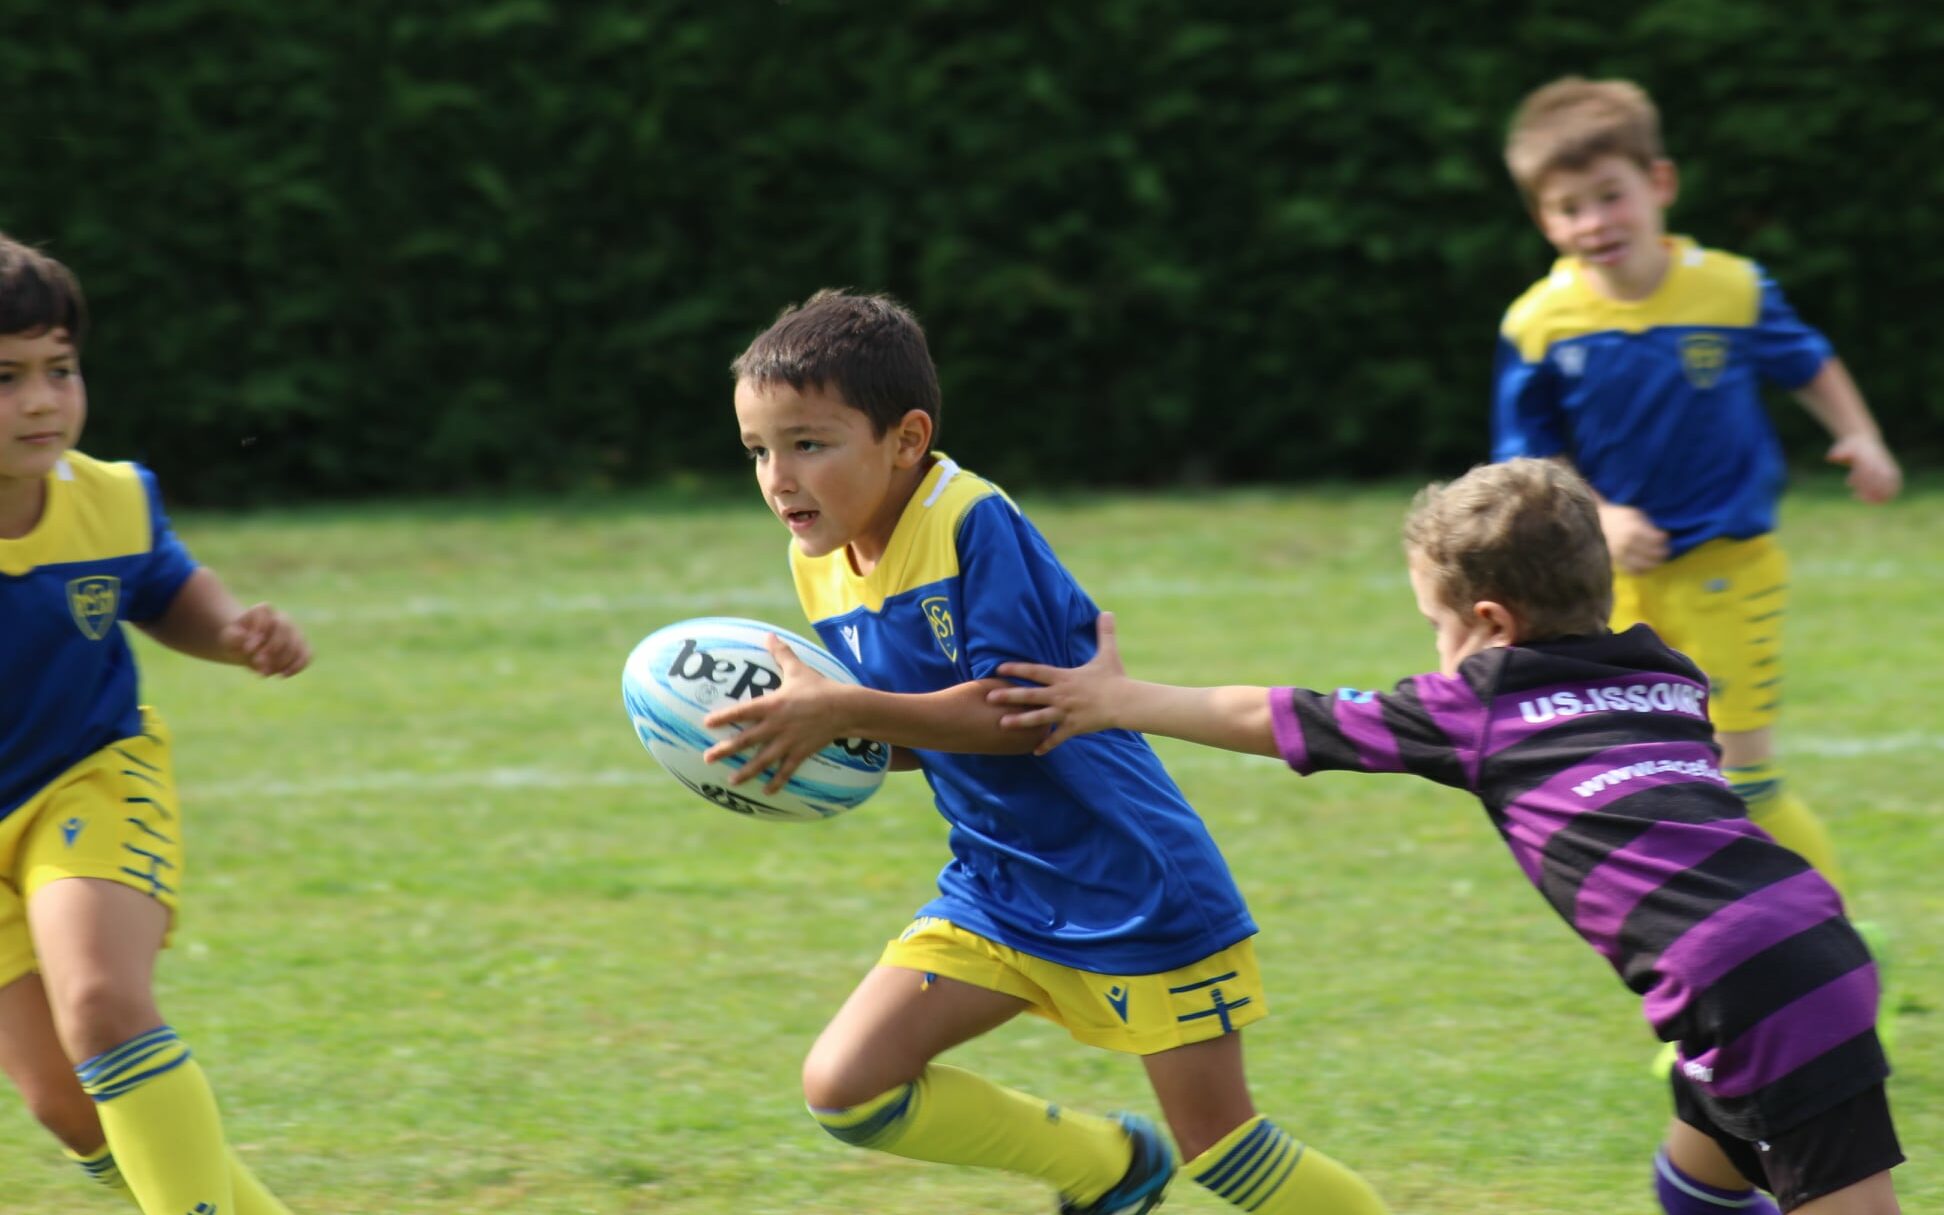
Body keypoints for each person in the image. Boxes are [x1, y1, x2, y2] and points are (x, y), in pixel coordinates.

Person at [987, 459, 1902, 1215]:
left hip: (1743, 982)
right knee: (1694, 1186)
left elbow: (1272, 714)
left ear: (1491, 624)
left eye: (1437, 625)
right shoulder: (1668, 673)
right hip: (1801, 936)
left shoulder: (1482, 702)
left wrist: (1118, 700)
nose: (1434, 646)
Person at [698, 289, 1391, 1214]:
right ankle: (1110, 1167)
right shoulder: (819, 559)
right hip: (998, 885)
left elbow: (1023, 714)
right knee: (847, 1086)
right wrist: (823, 742)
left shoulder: (969, 519)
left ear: (907, 438)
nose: (779, 478)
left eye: (808, 444)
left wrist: (847, 709)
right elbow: (919, 728)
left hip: (1127, 881)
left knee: (1226, 1153)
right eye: (758, 451)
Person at [1492, 76, 1903, 908]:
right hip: (1606, 586)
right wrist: (1601, 517)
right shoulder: (1537, 323)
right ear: (1544, 221)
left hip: (1729, 571)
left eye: (1611, 195)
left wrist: (1860, 434)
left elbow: (1809, 361)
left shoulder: (1732, 289)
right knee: (1642, 785)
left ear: (1661, 184)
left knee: (1744, 782)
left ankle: (1839, 945)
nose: (1595, 221)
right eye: (1570, 208)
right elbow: (1526, 458)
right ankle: (1711, 951)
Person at [0, 233, 310, 1214]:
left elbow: (168, 590)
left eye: (60, 369)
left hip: (86, 779)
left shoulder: (113, 501)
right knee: (66, 1104)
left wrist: (233, 631)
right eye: (5, 379)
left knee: (101, 1004)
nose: (43, 401)